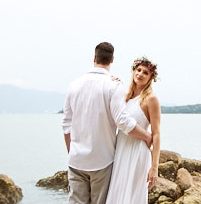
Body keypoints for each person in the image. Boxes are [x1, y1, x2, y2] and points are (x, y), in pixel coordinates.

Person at [62, 42, 153, 204]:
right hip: (102, 160)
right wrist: (147, 136)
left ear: (94, 58)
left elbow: (66, 125)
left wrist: (72, 152)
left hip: (76, 159)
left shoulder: (73, 85)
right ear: (112, 60)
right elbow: (123, 121)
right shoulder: (113, 86)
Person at [105, 56, 161, 204]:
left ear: (151, 78)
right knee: (117, 194)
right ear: (133, 71)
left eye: (145, 73)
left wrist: (154, 167)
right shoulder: (125, 97)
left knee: (133, 196)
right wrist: (111, 82)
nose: (140, 74)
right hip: (120, 150)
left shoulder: (151, 99)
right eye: (138, 70)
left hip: (138, 153)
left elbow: (156, 133)